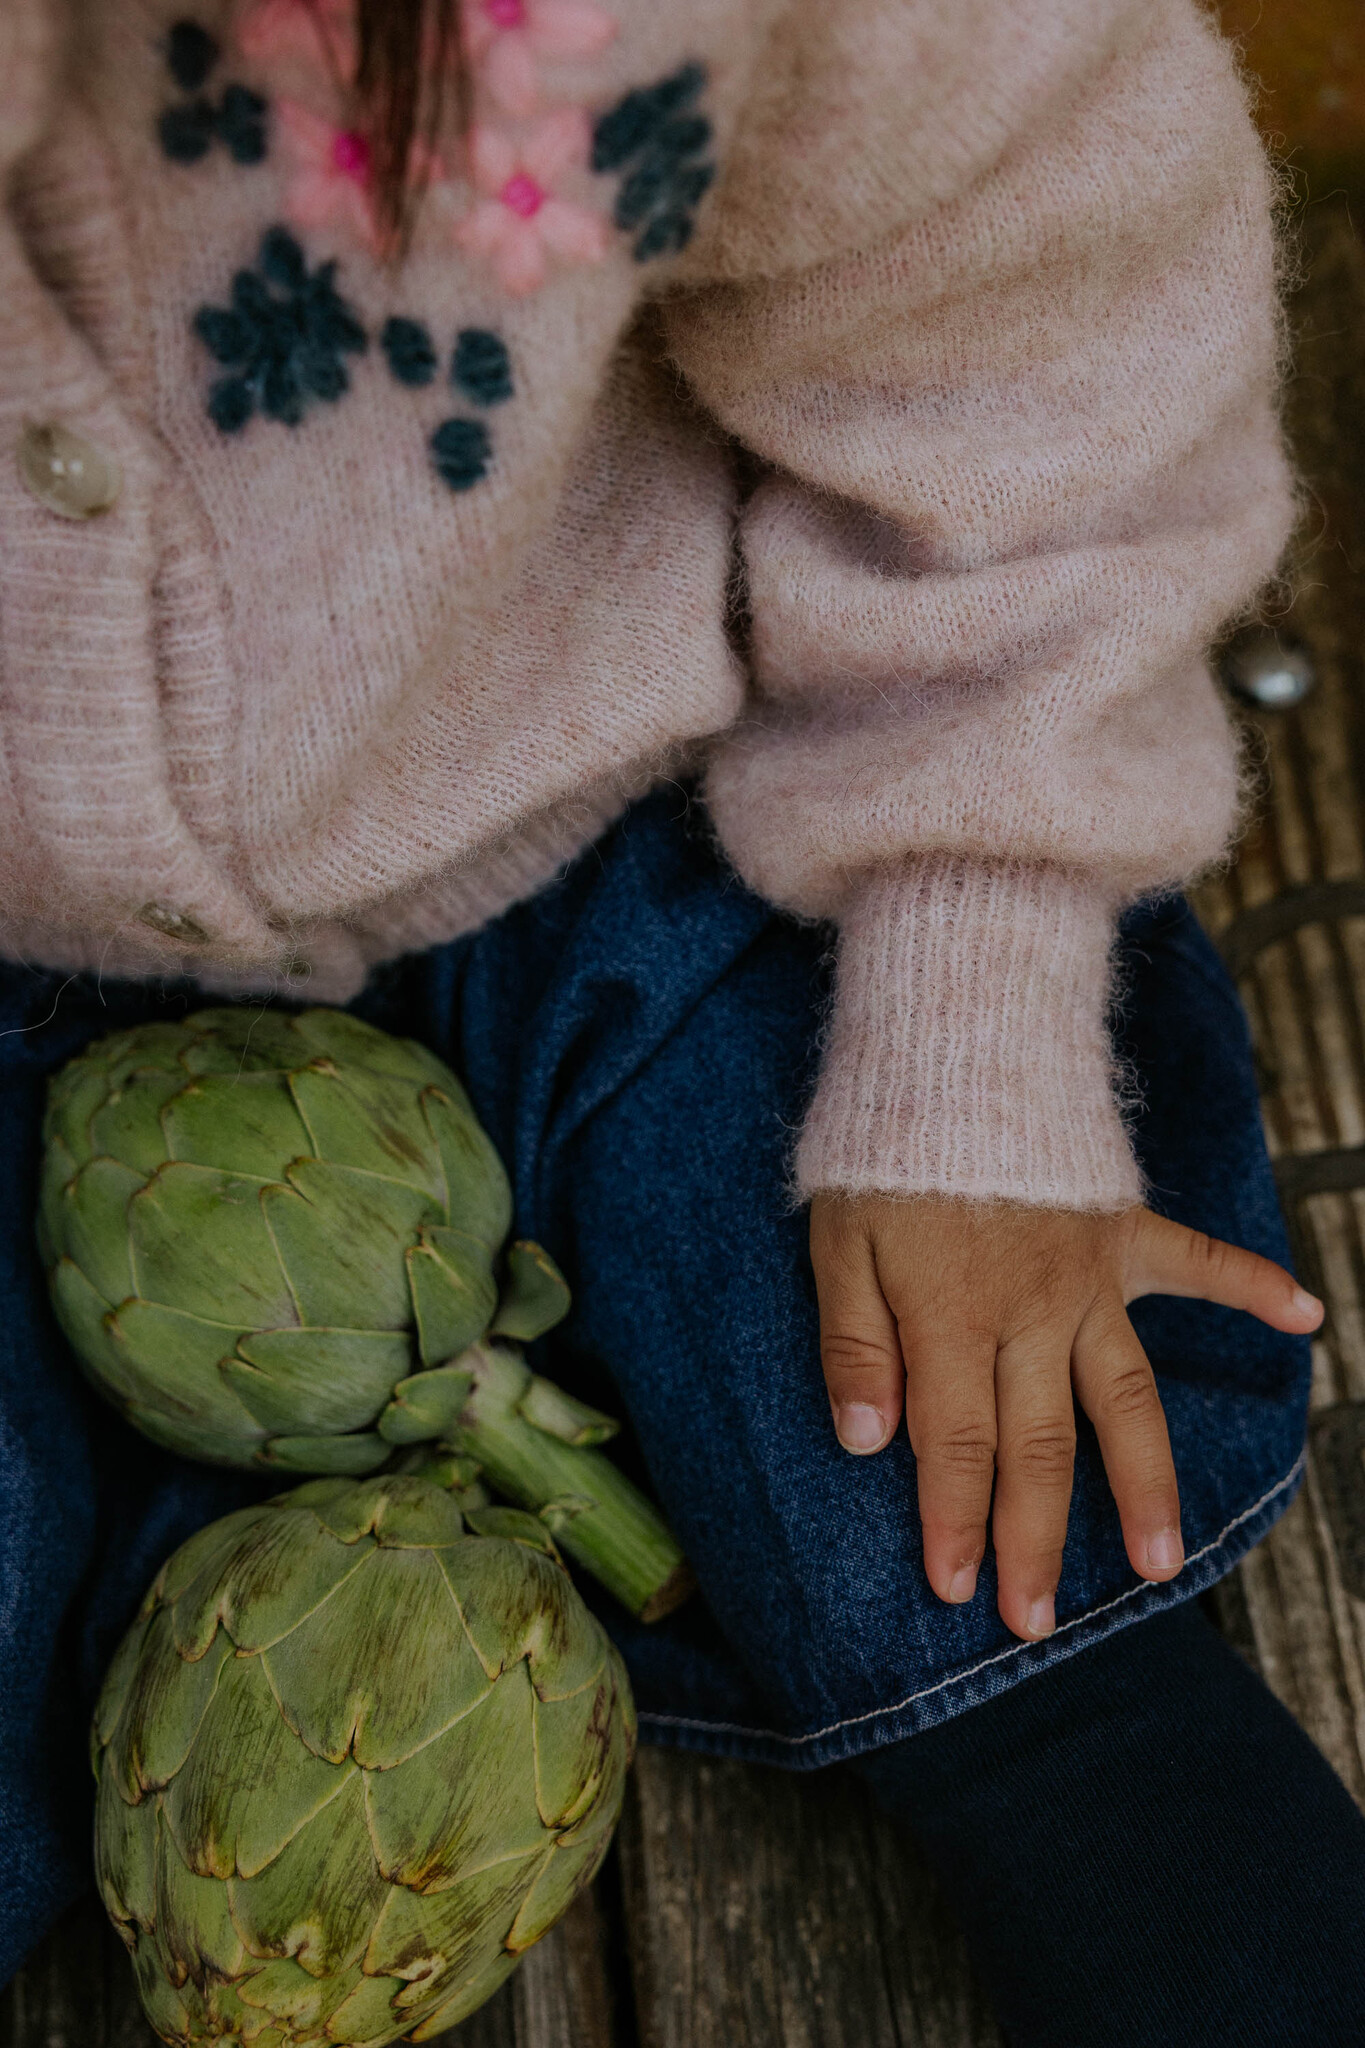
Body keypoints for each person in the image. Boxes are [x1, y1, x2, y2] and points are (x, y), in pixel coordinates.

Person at [1, 0, 1363, 2039]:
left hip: (599, 835)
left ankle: (1098, 1779)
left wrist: (968, 974)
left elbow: (1031, 329)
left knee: (930, 1487)